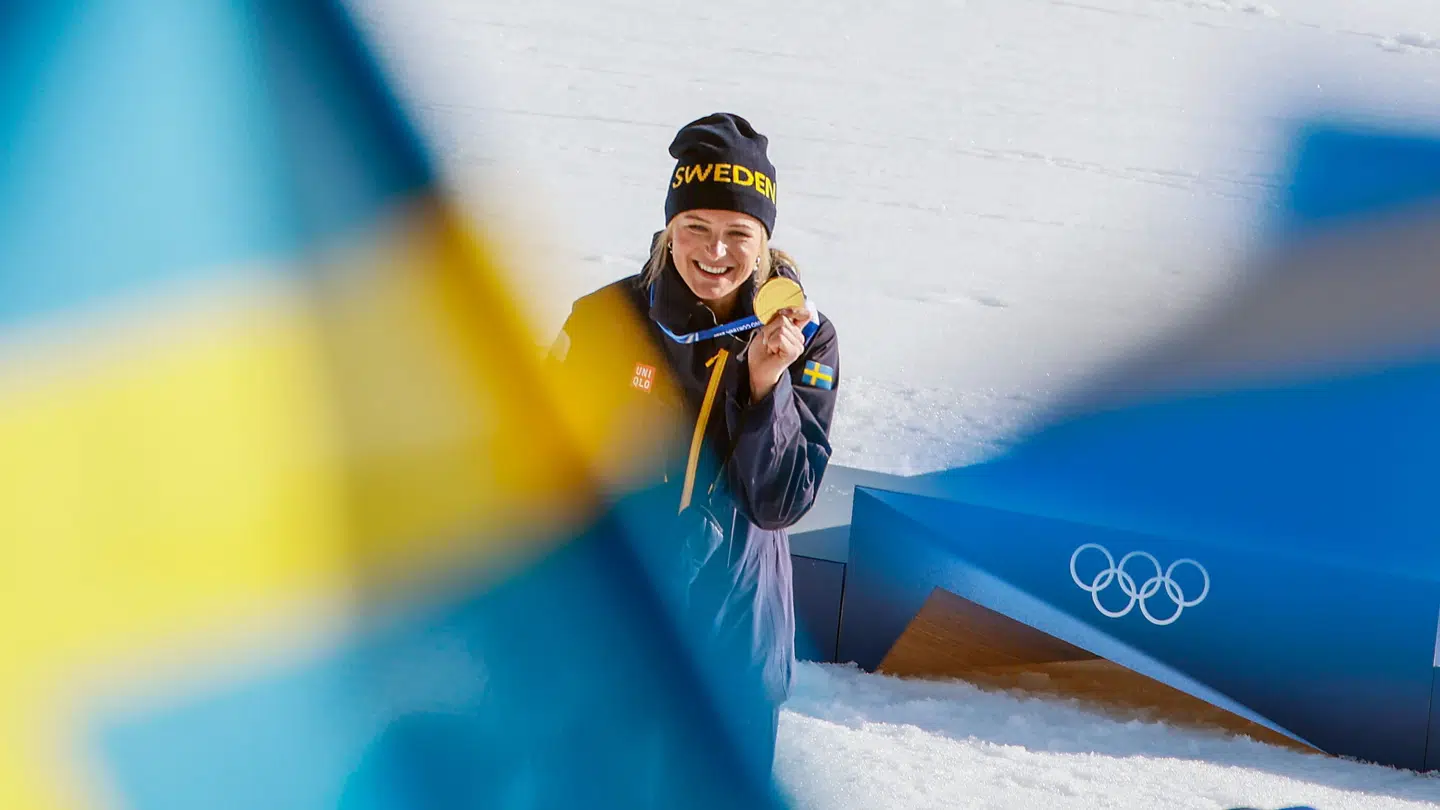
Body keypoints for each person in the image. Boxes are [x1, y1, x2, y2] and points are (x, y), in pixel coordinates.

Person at [548, 112, 841, 770]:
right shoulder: (604, 320)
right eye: (696, 229)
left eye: (738, 233)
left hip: (733, 638)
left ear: (764, 238)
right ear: (669, 229)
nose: (716, 252)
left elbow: (780, 503)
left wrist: (767, 389)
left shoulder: (806, 338)